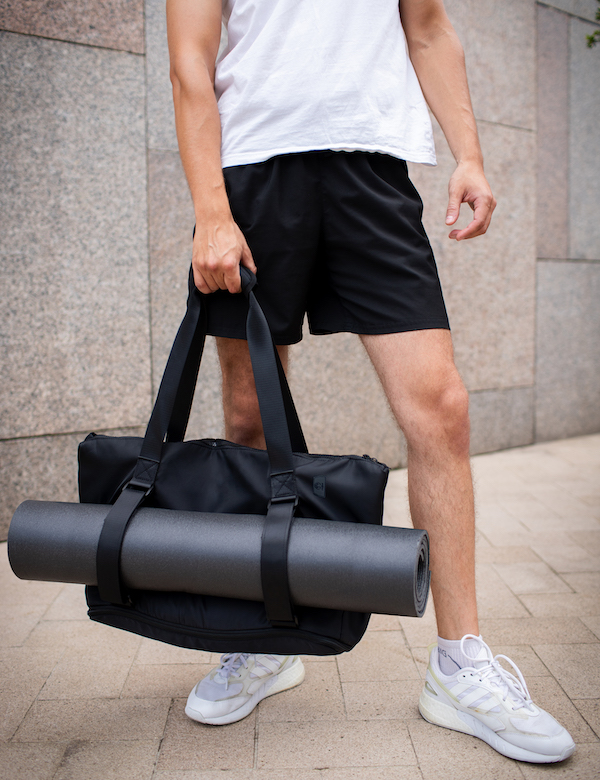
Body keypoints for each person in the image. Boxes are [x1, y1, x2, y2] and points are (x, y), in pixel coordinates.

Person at [166, 0, 575, 764]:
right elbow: (190, 57)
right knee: (250, 418)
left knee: (441, 407)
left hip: (372, 166)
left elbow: (426, 25)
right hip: (252, 172)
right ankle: (265, 636)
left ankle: (460, 666)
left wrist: (470, 154)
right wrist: (210, 211)